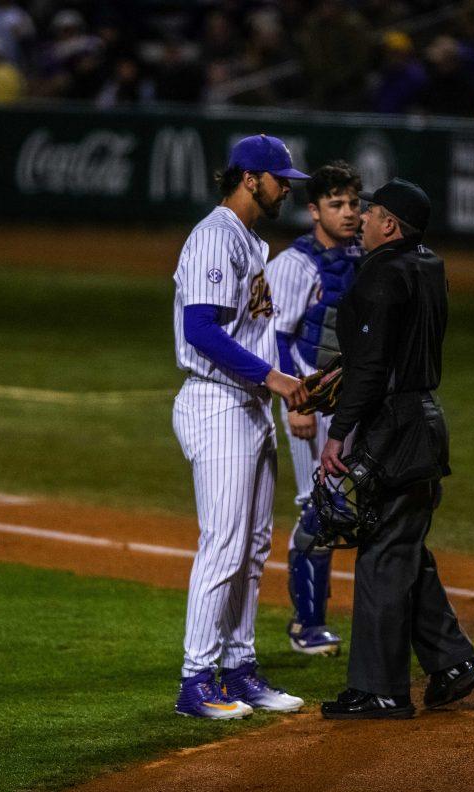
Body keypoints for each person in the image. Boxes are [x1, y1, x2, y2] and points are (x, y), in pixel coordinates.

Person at [316, 178, 474, 720]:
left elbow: (369, 368)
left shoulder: (381, 274)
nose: (360, 220)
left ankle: (382, 690)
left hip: (392, 427)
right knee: (404, 542)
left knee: (384, 557)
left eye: (369, 213)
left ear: (389, 225)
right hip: (424, 421)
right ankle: (451, 661)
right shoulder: (428, 267)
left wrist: (338, 432)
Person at [171, 135, 311, 719]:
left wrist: (283, 378)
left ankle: (239, 666)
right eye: (281, 179)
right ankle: (196, 679)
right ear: (250, 178)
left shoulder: (252, 241)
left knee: (253, 547)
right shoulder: (214, 237)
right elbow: (201, 329)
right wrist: (276, 380)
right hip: (219, 403)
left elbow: (253, 330)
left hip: (249, 406)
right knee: (224, 545)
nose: (287, 188)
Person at [264, 161, 363, 656]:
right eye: (336, 204)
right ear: (313, 209)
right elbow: (275, 336)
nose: (347, 213)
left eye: (353, 203)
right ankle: (307, 623)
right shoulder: (294, 264)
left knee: (359, 506)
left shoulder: (366, 255)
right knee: (320, 507)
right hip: (313, 401)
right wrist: (295, 402)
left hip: (358, 401)